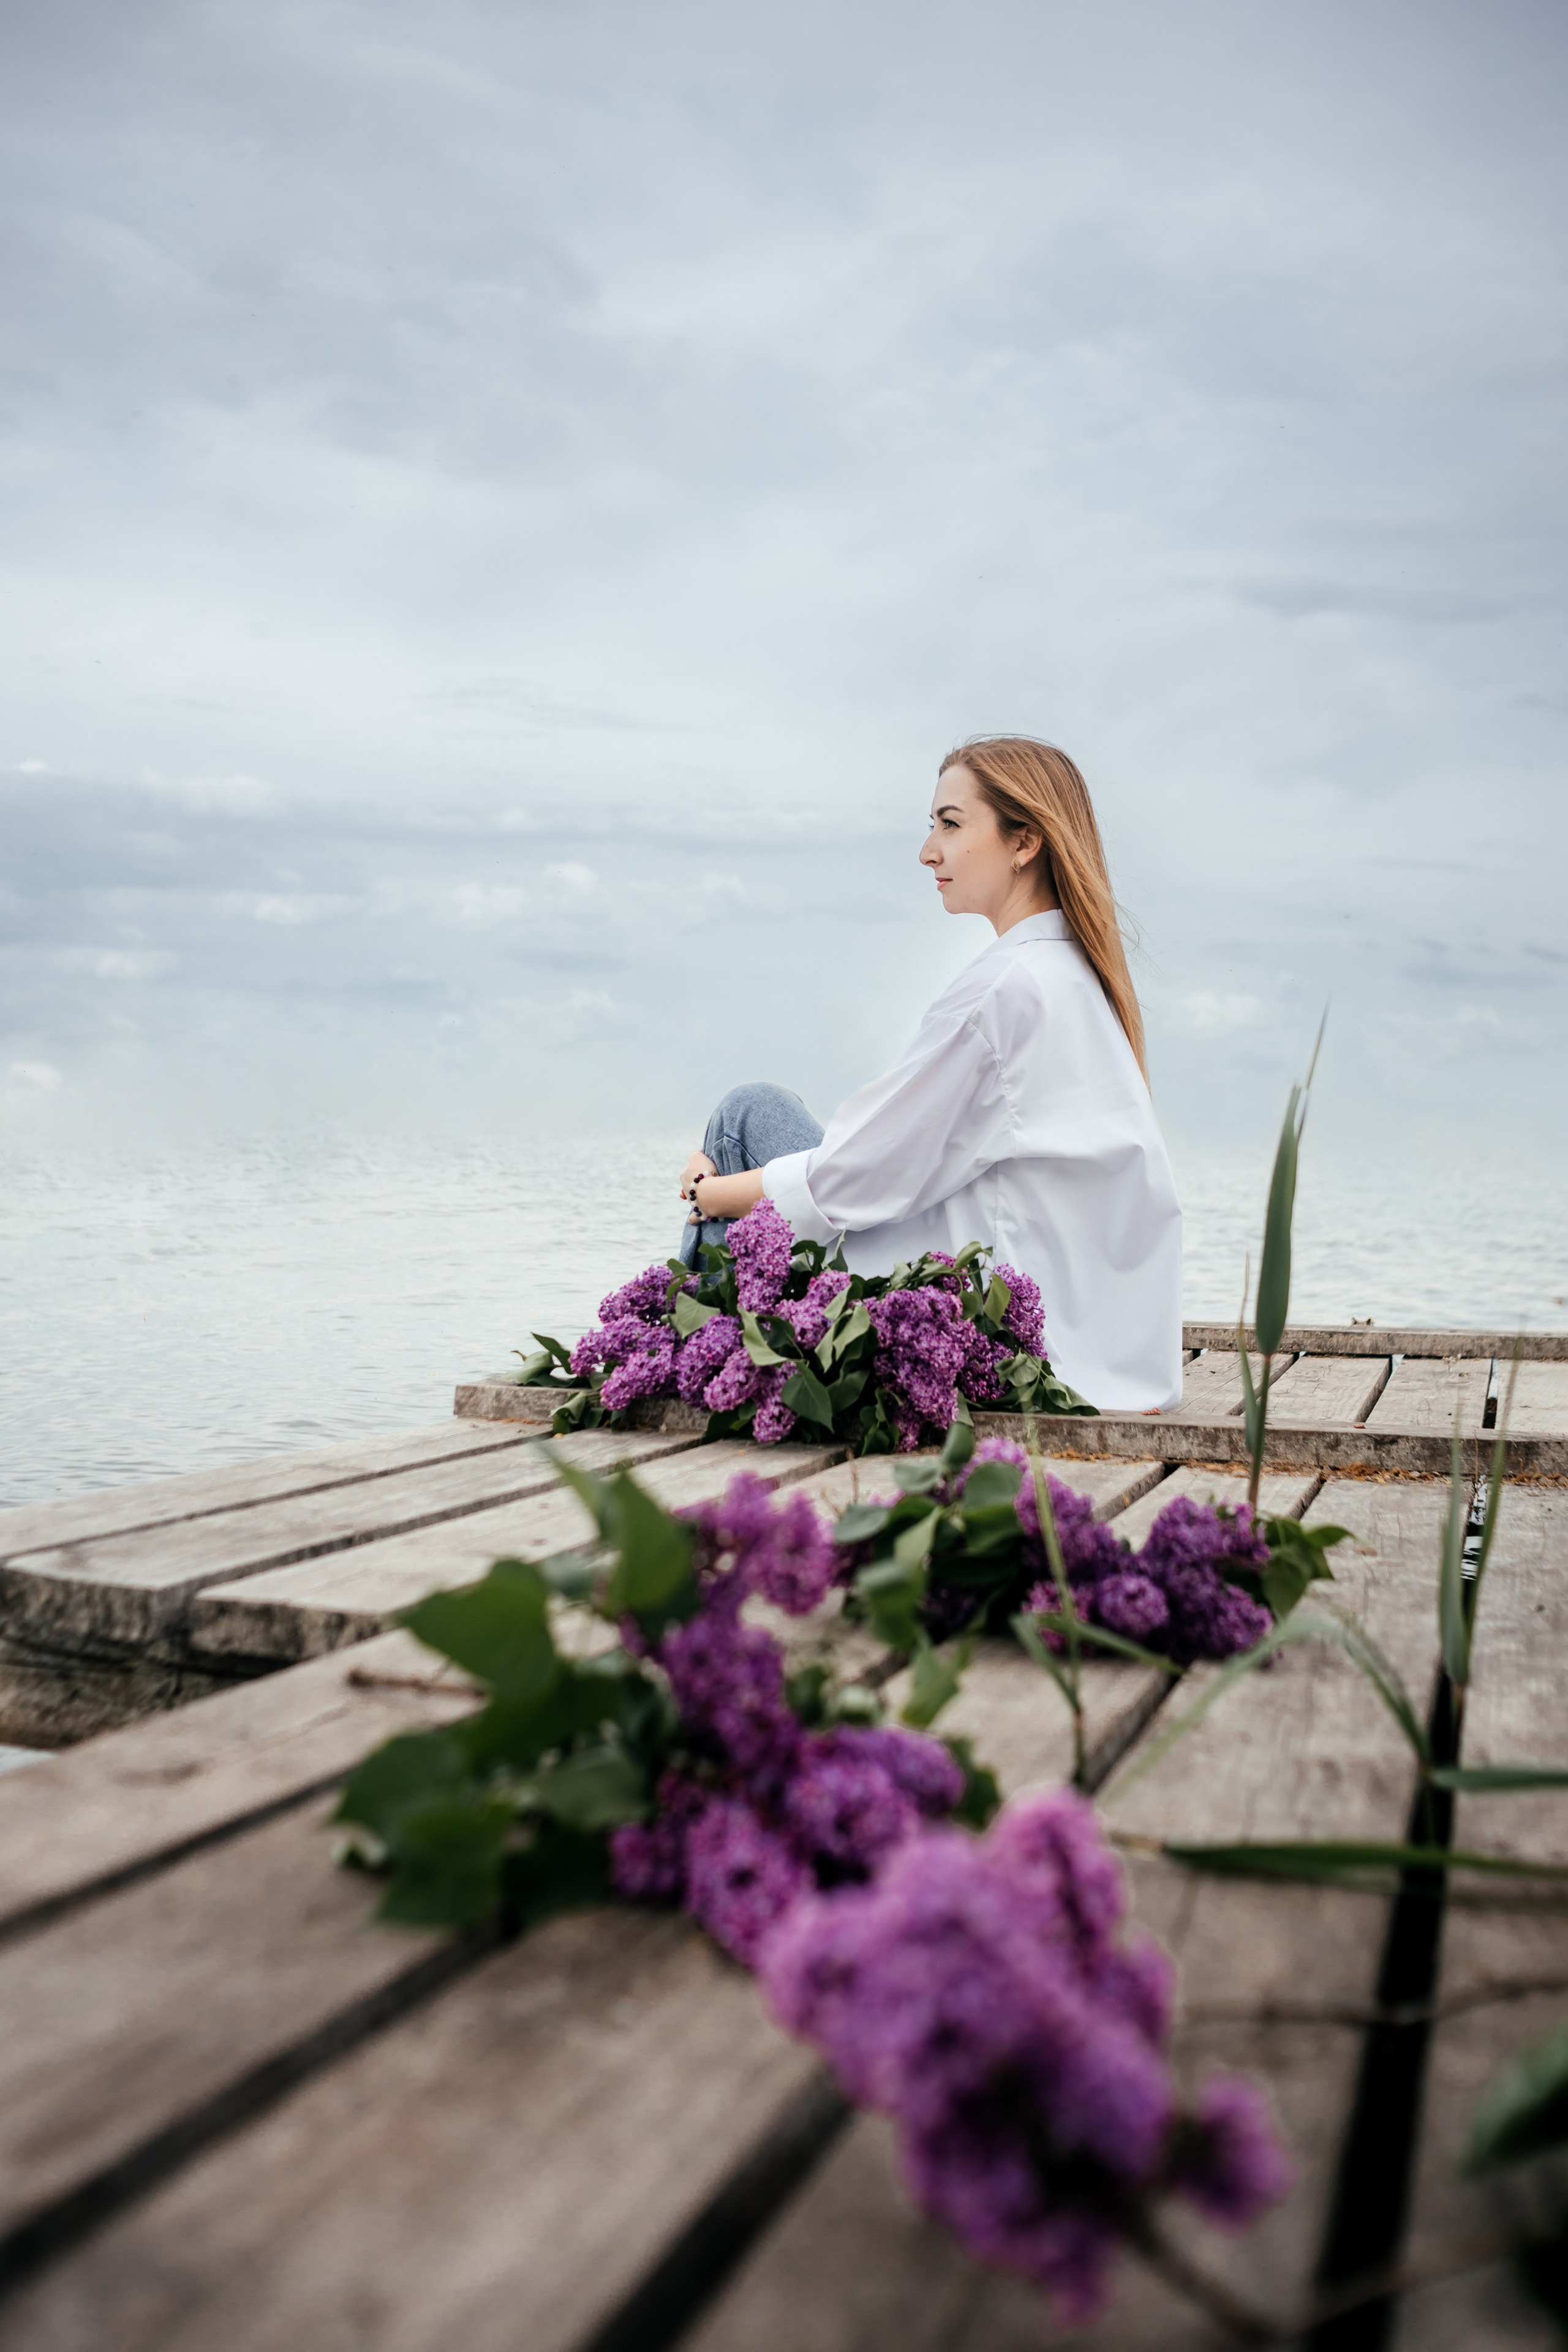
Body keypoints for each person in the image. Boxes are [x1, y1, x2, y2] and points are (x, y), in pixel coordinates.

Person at [677, 737, 1183, 1414]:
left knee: (745, 1115)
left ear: (1023, 840)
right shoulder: (1074, 979)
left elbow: (858, 1174)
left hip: (989, 1342)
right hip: (1096, 1348)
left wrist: (709, 1193)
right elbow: (896, 1160)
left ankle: (681, 1371)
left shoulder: (1005, 990)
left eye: (949, 823)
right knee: (767, 1126)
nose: (928, 851)